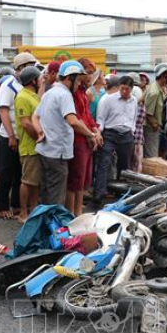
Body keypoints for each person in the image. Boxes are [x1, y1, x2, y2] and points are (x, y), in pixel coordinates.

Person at [33, 61, 98, 206]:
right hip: (57, 153)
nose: (78, 84)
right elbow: (73, 121)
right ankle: (55, 228)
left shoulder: (49, 93)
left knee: (46, 194)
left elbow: (35, 117)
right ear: (69, 78)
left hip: (45, 150)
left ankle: (45, 225)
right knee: (56, 197)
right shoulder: (65, 95)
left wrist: (40, 132)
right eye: (78, 80)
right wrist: (91, 134)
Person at [0, 52, 37, 220]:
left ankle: (15, 205)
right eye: (30, 66)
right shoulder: (9, 85)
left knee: (20, 173)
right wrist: (11, 136)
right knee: (7, 172)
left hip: (23, 136)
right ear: (20, 68)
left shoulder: (26, 85)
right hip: (9, 134)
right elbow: (3, 110)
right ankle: (1, 207)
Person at [66, 58, 103, 216]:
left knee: (82, 180)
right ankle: (71, 212)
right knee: (75, 180)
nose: (90, 77)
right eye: (87, 73)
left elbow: (87, 116)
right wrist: (91, 133)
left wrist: (95, 129)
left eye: (91, 73)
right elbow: (76, 119)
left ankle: (78, 210)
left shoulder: (82, 92)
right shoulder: (73, 93)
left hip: (86, 138)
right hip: (77, 139)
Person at [94, 75, 138, 204]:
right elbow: (100, 118)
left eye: (127, 90)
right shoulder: (108, 99)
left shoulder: (134, 100)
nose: (124, 92)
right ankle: (99, 193)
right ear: (119, 87)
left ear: (131, 89)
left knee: (124, 167)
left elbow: (133, 117)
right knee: (104, 163)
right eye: (122, 89)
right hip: (110, 134)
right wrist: (99, 133)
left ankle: (122, 193)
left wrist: (132, 130)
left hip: (126, 135)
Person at [14, 66, 42, 221]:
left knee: (35, 182)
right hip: (29, 146)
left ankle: (33, 211)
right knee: (27, 181)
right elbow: (25, 123)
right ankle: (23, 212)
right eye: (38, 78)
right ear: (32, 80)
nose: (40, 81)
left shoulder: (33, 95)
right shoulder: (22, 97)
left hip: (37, 147)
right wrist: (39, 135)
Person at [143, 63, 167, 157]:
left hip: (154, 127)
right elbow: (147, 113)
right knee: (151, 156)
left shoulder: (158, 88)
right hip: (151, 128)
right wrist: (155, 125)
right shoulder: (154, 92)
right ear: (164, 75)